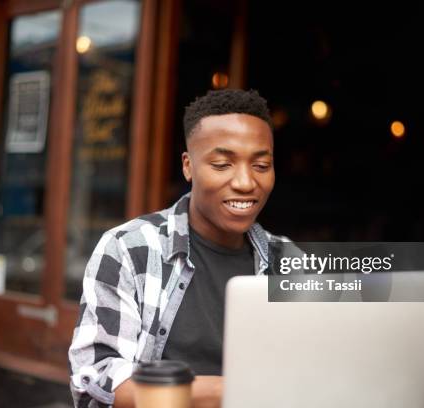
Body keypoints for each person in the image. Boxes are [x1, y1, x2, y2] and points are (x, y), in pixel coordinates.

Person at [69, 89, 287, 408]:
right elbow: (96, 377)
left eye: (261, 165)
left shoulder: (291, 261)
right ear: (188, 166)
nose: (245, 182)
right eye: (223, 164)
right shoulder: (129, 249)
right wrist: (228, 391)